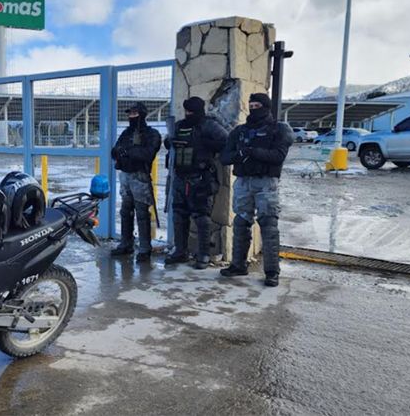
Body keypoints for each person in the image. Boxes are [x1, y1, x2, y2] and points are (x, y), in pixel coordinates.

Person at [219, 93, 294, 287]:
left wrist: (252, 152)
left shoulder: (279, 129)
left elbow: (278, 155)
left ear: (266, 107)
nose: (253, 109)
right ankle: (238, 265)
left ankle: (272, 272)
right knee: (240, 222)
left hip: (266, 182)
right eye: (251, 106)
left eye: (257, 106)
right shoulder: (239, 131)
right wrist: (240, 154)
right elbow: (225, 157)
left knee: (269, 225)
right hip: (243, 182)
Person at [164, 96, 228, 269]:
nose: (188, 114)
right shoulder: (179, 126)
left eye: (191, 111)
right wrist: (169, 142)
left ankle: (204, 254)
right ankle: (180, 251)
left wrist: (204, 144)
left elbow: (226, 141)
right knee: (179, 216)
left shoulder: (209, 126)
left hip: (200, 179)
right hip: (180, 177)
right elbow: (168, 142)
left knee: (201, 218)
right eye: (186, 111)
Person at [110, 102, 161, 262]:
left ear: (142, 114)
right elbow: (115, 151)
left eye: (134, 113)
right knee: (125, 212)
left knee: (142, 213)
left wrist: (128, 152)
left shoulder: (151, 133)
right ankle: (126, 243)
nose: (131, 116)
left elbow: (147, 154)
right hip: (125, 175)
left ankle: (145, 248)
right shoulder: (126, 133)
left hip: (140, 177)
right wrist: (123, 152)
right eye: (130, 114)